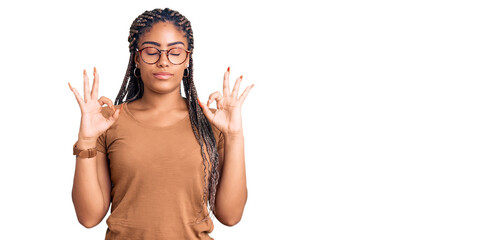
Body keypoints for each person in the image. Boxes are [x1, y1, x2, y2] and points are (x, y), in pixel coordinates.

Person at [68, 8, 253, 239]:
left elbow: (231, 215)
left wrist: (234, 136)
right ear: (137, 58)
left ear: (187, 59)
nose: (163, 61)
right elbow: (88, 217)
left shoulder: (214, 122)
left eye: (175, 52)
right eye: (152, 51)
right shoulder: (107, 122)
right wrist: (86, 141)